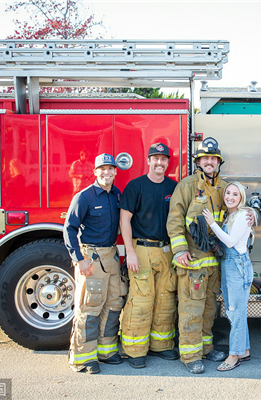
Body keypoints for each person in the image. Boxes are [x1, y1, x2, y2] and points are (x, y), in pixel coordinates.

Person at [166, 137, 229, 374]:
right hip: (192, 262)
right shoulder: (187, 185)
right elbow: (174, 219)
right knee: (191, 309)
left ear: (219, 162)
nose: (209, 162)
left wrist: (251, 213)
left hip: (213, 263)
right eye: (205, 158)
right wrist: (180, 249)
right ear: (198, 162)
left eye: (213, 158)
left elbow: (240, 206)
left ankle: (205, 348)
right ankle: (191, 355)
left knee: (209, 309)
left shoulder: (225, 188)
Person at [64, 153, 126, 374]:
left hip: (110, 255)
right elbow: (69, 229)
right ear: (95, 172)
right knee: (89, 307)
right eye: (103, 169)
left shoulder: (116, 195)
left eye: (110, 169)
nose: (107, 173)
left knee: (113, 302)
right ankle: (83, 358)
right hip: (90, 257)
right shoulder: (84, 197)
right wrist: (79, 260)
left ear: (115, 172)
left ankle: (106, 351)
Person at [119, 143, 179, 369]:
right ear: (148, 161)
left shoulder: (173, 187)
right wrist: (130, 253)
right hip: (141, 250)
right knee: (141, 301)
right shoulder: (135, 186)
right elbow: (124, 219)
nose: (160, 163)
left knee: (165, 299)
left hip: (167, 250)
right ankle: (135, 350)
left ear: (167, 162)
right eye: (156, 158)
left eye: (164, 159)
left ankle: (161, 346)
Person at [202, 182, 253, 372]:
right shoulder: (232, 214)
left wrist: (212, 224)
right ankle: (244, 350)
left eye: (235, 195)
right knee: (235, 311)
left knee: (235, 312)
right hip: (231, 265)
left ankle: (233, 356)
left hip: (237, 265)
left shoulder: (241, 215)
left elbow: (230, 242)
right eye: (228, 193)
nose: (230, 197)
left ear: (241, 198)